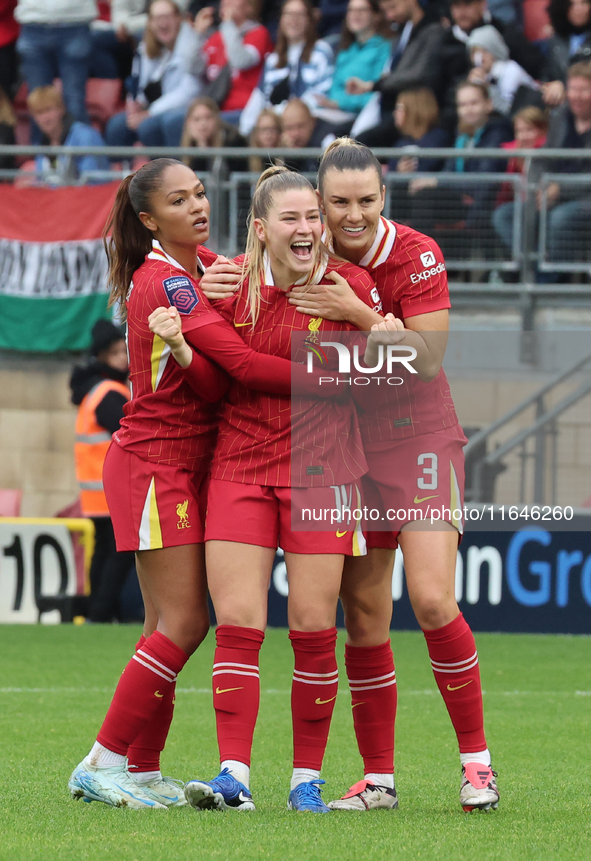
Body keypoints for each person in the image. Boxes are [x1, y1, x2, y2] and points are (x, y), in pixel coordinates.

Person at [67, 157, 343, 809]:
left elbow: (216, 379)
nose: (197, 205)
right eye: (178, 199)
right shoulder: (169, 282)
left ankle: (138, 767)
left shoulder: (205, 268)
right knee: (185, 620)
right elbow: (242, 365)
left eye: (199, 193)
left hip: (184, 463)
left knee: (164, 622)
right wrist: (338, 377)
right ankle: (100, 760)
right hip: (157, 461)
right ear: (147, 219)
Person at [286, 138, 499, 813]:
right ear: (319, 201)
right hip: (346, 446)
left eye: (365, 201)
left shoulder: (416, 252)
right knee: (366, 613)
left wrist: (359, 315)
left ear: (385, 198)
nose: (351, 215)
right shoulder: (304, 252)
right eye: (338, 202)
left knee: (433, 598)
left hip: (420, 440)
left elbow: (426, 358)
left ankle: (477, 768)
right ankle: (379, 778)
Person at [174, 166, 381, 814]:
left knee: (314, 627)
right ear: (260, 229)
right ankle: (233, 774)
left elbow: (374, 380)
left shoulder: (349, 287)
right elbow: (213, 386)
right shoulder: (230, 289)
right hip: (238, 469)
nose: (307, 229)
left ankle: (304, 780)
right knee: (237, 623)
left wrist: (364, 322)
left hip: (324, 474)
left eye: (312, 217)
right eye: (290, 218)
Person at [70, 319, 135, 624]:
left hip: (94, 493)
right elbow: (129, 433)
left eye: (125, 351)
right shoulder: (110, 392)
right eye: (116, 353)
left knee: (104, 552)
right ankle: (100, 612)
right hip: (111, 491)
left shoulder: (93, 390)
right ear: (102, 357)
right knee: (118, 555)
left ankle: (96, 611)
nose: (124, 358)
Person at [407, 80, 512, 258]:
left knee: (426, 196)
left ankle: (418, 262)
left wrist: (437, 181)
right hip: (459, 198)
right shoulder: (462, 135)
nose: (468, 109)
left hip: (480, 204)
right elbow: (449, 169)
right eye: (462, 105)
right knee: (415, 191)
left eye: (474, 103)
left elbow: (482, 182)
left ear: (488, 104)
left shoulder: (497, 135)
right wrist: (428, 181)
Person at [104, 0, 200, 149]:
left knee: (152, 126)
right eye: (157, 18)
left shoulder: (191, 46)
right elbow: (138, 83)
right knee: (116, 126)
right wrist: (135, 104)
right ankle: (123, 170)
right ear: (149, 23)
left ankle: (166, 171)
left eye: (167, 17)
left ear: (179, 18)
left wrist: (150, 112)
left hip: (183, 107)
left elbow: (189, 91)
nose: (163, 23)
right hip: (153, 108)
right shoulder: (145, 48)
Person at [348, 0, 446, 144]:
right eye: (386, 11)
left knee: (362, 142)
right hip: (392, 109)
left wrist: (374, 85)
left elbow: (417, 74)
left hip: (415, 110)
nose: (390, 15)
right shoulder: (403, 30)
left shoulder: (433, 28)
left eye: (393, 7)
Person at [239, 0, 334, 136]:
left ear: (309, 20)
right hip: (275, 127)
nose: (293, 20)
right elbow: (260, 97)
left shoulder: (321, 51)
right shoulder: (273, 59)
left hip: (307, 126)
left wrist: (286, 114)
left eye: (299, 15)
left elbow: (321, 95)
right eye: (288, 14)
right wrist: (245, 131)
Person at [534, 61, 591, 268]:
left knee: (561, 217)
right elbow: (543, 158)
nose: (576, 96)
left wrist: (560, 188)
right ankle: (526, 273)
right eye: (573, 89)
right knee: (508, 214)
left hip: (585, 198)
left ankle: (554, 278)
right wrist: (539, 186)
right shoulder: (560, 118)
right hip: (553, 191)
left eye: (584, 90)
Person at [192, 0, 274, 125]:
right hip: (215, 109)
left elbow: (240, 61)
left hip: (245, 111)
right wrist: (197, 34)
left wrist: (228, 24)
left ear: (249, 6)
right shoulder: (216, 37)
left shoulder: (258, 33)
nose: (226, 3)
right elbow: (193, 67)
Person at [15, 0, 95, 124]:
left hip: (75, 22)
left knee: (74, 101)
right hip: (32, 23)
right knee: (37, 101)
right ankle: (39, 143)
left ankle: (78, 143)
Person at [314, 0, 391, 123]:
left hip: (366, 116)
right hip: (336, 114)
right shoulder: (345, 51)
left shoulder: (385, 48)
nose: (356, 15)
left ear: (376, 16)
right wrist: (337, 104)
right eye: (351, 10)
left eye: (362, 10)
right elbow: (335, 90)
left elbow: (378, 93)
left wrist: (341, 104)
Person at [387, 87, 452, 222]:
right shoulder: (400, 143)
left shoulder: (438, 138)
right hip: (402, 200)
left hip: (431, 200)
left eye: (400, 109)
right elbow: (391, 170)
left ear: (414, 110)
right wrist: (400, 172)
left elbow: (434, 167)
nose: (395, 113)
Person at [23, 85, 110, 182]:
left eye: (48, 110)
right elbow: (44, 182)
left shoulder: (86, 136)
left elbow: (93, 181)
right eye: (39, 113)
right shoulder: (40, 145)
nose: (45, 118)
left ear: (61, 109)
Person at [492, 106, 548, 253]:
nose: (523, 136)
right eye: (519, 131)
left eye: (529, 130)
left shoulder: (547, 154)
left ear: (543, 130)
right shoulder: (511, 156)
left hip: (544, 207)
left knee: (503, 215)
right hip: (521, 205)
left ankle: (531, 267)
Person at [466, 25, 540, 115]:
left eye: (484, 51)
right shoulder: (485, 76)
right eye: (474, 53)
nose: (480, 58)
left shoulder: (511, 71)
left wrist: (487, 88)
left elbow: (508, 110)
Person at [541, 0, 591, 107]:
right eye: (571, 4)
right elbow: (548, 72)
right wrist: (548, 87)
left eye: (584, 3)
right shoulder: (556, 40)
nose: (578, 9)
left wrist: (564, 86)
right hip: (558, 103)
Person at [180, 96, 248, 172]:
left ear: (216, 119)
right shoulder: (186, 148)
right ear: (188, 124)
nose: (203, 124)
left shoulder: (234, 141)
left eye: (208, 118)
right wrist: (201, 146)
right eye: (197, 119)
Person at [279, 97, 335, 169]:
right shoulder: (281, 142)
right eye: (289, 128)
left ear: (312, 122)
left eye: (300, 126)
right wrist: (290, 156)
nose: (295, 133)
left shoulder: (328, 137)